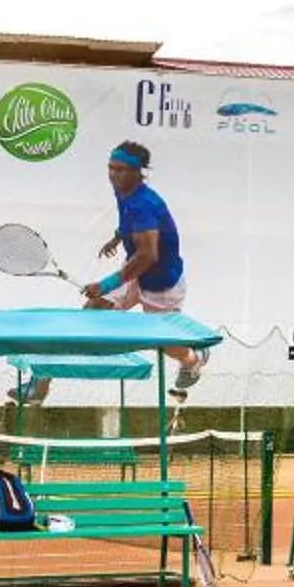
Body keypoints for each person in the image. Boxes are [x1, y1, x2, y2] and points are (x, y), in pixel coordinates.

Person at [91, 140, 206, 399]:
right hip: (135, 272)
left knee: (162, 342)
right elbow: (128, 221)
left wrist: (106, 284)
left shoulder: (145, 202)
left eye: (120, 170)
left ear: (137, 172)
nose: (113, 175)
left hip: (161, 283)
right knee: (94, 309)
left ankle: (193, 359)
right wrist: (117, 237)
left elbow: (148, 255)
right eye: (111, 168)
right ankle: (40, 390)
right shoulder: (123, 191)